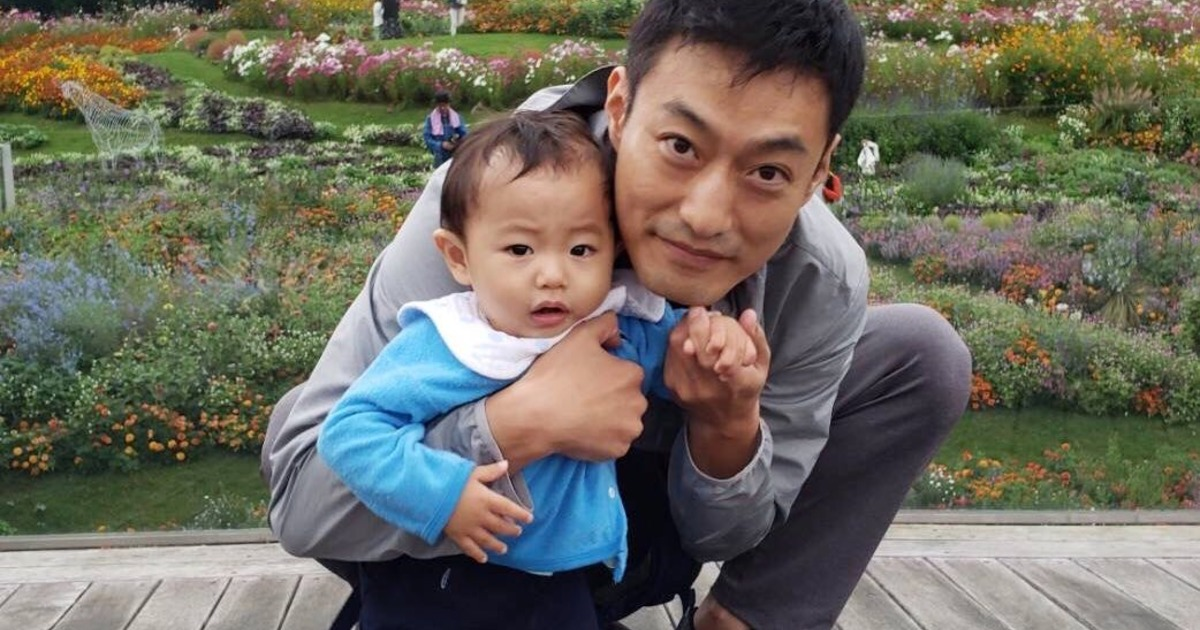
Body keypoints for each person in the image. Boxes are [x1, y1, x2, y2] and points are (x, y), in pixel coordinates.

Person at [262, 1, 973, 628]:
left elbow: (726, 537)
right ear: (622, 105)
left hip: (646, 536)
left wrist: (726, 428)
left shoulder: (819, 277)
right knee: (315, 416)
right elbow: (304, 504)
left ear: (819, 171)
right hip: (473, 553)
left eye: (768, 172)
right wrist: (516, 425)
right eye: (681, 146)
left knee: (921, 355)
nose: (705, 216)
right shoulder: (491, 206)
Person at [318, 111, 763, 630]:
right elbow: (351, 433)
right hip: (442, 576)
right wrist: (445, 493)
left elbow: (685, 357)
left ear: (614, 249)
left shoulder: (615, 328)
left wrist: (718, 342)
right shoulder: (453, 343)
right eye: (519, 249)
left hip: (562, 582)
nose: (552, 274)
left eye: (581, 249)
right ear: (458, 257)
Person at [423, 90, 468, 168]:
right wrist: (441, 145)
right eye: (440, 106)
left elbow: (465, 134)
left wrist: (457, 143)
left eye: (445, 105)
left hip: (454, 154)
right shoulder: (430, 119)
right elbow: (427, 138)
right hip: (439, 156)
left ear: (449, 104)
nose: (442, 108)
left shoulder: (457, 117)